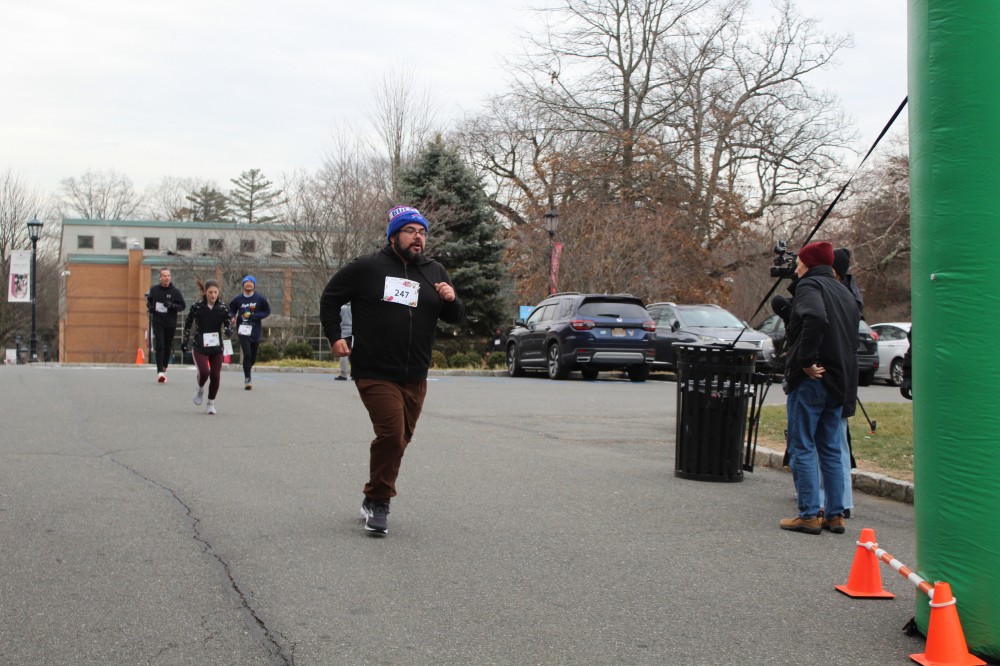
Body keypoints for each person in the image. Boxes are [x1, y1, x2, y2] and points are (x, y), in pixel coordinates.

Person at [319, 205, 464, 536]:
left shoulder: (434, 271)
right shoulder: (368, 267)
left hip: (415, 373)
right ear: (394, 236)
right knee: (392, 434)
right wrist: (335, 336)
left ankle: (372, 495)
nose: (418, 237)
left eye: (422, 232)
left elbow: (455, 317)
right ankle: (380, 504)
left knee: (400, 439)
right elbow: (330, 297)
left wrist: (451, 298)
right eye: (410, 231)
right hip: (374, 370)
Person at [778, 241, 860, 535]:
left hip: (812, 380)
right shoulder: (844, 292)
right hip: (839, 381)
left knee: (802, 446)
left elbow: (815, 317)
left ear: (810, 264)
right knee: (831, 449)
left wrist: (805, 361)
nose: (796, 268)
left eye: (800, 263)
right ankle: (835, 514)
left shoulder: (809, 286)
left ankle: (809, 514)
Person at [182, 279, 232, 415]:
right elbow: (188, 323)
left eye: (215, 292)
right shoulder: (197, 306)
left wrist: (228, 330)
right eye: (210, 292)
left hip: (216, 346)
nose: (213, 295)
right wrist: (185, 340)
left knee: (215, 375)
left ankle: (210, 404)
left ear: (218, 292)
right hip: (200, 345)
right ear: (205, 292)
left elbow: (228, 322)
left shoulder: (223, 307)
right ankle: (199, 389)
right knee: (204, 372)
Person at [228, 275, 271, 390]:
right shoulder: (238, 299)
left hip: (255, 330)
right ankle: (247, 378)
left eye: (251, 282)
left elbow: (267, 311)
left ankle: (247, 368)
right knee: (247, 354)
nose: (248, 284)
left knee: (252, 357)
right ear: (243, 285)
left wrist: (255, 316)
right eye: (246, 282)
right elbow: (231, 310)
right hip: (243, 329)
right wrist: (232, 317)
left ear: (254, 285)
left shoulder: (260, 299)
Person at [146, 268, 186, 383]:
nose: (167, 278)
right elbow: (149, 301)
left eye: (168, 276)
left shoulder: (175, 292)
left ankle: (164, 366)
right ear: (160, 278)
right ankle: (160, 372)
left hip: (170, 322)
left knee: (167, 346)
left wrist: (172, 305)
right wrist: (151, 307)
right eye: (164, 276)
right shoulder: (154, 290)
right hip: (158, 321)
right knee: (160, 345)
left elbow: (182, 306)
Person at [336, 302, 352, 381]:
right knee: (354, 354)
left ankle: (343, 374)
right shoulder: (354, 308)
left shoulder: (341, 308)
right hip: (353, 332)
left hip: (344, 333)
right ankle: (354, 373)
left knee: (344, 354)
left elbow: (337, 319)